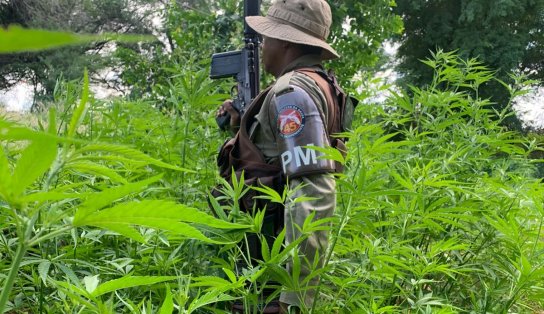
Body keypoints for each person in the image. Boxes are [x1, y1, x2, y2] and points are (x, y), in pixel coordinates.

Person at [215, 0, 350, 312]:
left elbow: (313, 191)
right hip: (266, 259)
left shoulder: (291, 93)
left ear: (287, 41)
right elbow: (279, 157)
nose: (264, 45)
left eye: (269, 36)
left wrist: (294, 294)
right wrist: (244, 125)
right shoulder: (319, 85)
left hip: (270, 269)